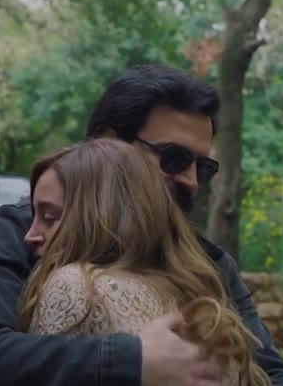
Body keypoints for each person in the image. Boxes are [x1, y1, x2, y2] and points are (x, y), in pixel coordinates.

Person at [0, 65, 283, 386]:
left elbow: (278, 376)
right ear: (108, 144)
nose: (190, 181)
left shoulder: (209, 264)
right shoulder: (25, 231)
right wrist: (130, 360)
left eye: (201, 167)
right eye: (173, 158)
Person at [20, 139, 269, 386]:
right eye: (34, 216)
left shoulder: (75, 284)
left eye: (50, 217)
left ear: (100, 215)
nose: (29, 235)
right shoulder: (196, 295)